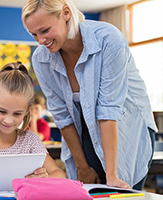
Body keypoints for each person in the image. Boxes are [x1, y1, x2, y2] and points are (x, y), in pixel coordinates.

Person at [22, 0, 157, 190]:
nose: (40, 41)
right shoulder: (41, 59)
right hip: (84, 129)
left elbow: (108, 110)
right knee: (87, 189)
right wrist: (81, 166)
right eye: (33, 34)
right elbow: (62, 115)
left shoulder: (108, 39)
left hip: (126, 127)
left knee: (119, 191)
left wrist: (112, 175)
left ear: (66, 13)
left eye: (45, 30)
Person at [0, 62, 65, 180]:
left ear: (27, 111)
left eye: (17, 113)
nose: (8, 120)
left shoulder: (31, 141)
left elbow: (59, 174)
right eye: (2, 112)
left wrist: (45, 179)